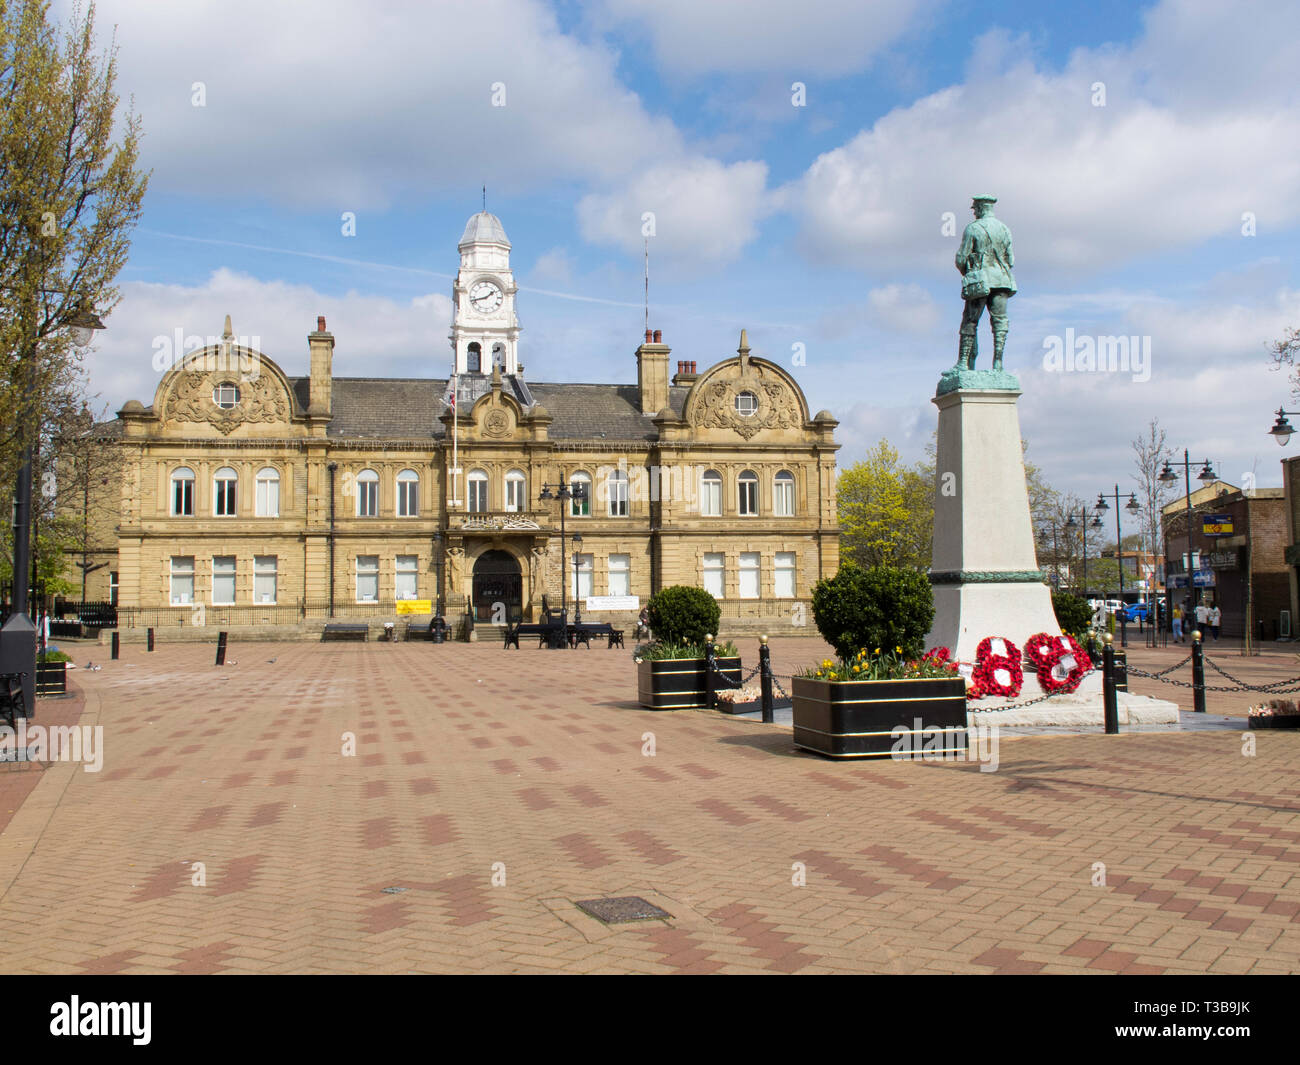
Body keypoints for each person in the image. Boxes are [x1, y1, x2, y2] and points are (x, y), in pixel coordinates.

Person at [955, 195, 1016, 370]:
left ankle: (963, 363)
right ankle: (998, 363)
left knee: (970, 321)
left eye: (975, 209)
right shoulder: (1005, 229)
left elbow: (961, 257)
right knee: (1000, 322)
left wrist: (967, 272)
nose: (974, 212)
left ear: (981, 208)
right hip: (1002, 280)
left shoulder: (973, 228)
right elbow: (1011, 260)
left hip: (981, 281)